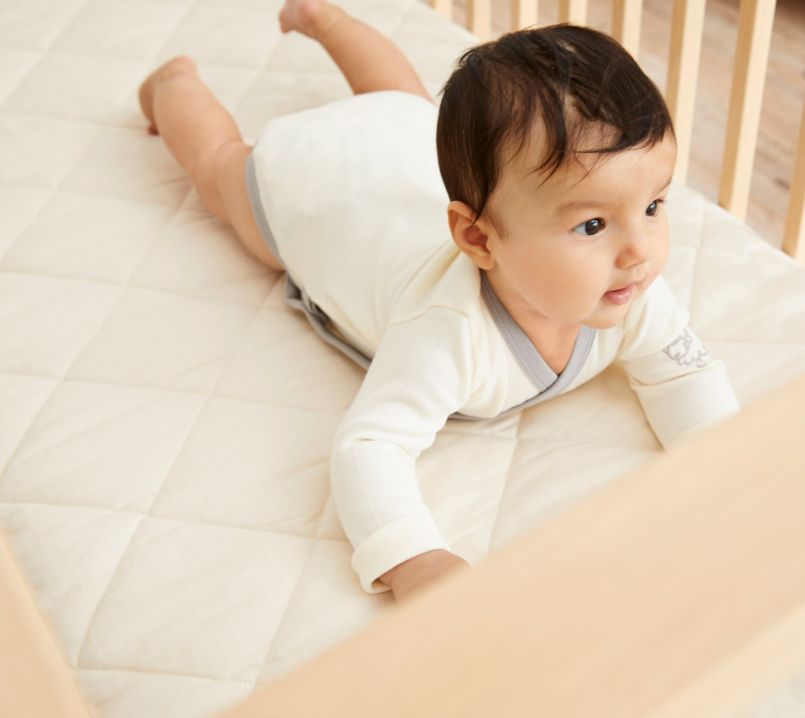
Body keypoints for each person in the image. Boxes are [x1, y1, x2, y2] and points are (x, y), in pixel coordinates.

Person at [138, 0, 741, 603]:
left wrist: (724, 463)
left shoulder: (626, 287)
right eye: (592, 226)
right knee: (222, 174)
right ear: (479, 238)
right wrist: (412, 556)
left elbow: (682, 374)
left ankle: (327, 22)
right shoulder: (446, 330)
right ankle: (173, 86)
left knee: (404, 102)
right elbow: (371, 446)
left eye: (654, 207)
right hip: (320, 187)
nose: (640, 250)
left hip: (404, 143)